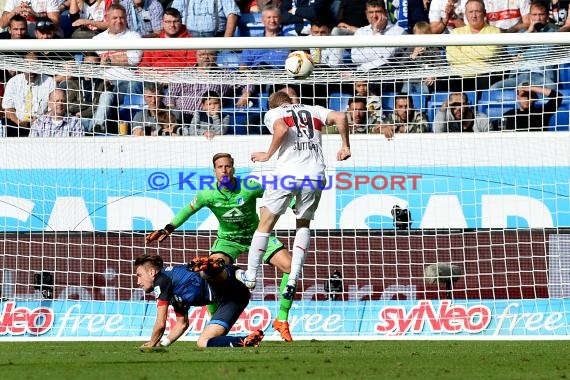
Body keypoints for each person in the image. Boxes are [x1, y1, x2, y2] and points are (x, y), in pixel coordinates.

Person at [146, 152, 297, 342]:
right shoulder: (207, 194)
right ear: (215, 171)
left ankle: (281, 319)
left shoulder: (248, 187)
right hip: (227, 241)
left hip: (256, 236)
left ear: (233, 168)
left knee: (290, 267)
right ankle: (214, 317)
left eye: (228, 166)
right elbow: (187, 210)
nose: (224, 170)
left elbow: (274, 195)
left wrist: (293, 203)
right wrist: (168, 228)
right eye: (220, 167)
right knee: (209, 270)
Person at [237, 91, 351, 301]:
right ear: (290, 101)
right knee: (303, 224)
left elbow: (281, 128)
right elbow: (342, 117)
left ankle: (251, 275)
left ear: (272, 106)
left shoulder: (274, 113)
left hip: (287, 175)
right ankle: (292, 279)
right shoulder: (314, 109)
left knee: (265, 224)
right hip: (315, 175)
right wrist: (345, 146)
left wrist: (267, 155)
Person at [134, 252, 264, 348]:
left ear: (151, 272)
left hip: (226, 280)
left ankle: (214, 267)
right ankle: (246, 340)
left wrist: (152, 343)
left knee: (204, 274)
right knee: (203, 342)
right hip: (234, 298)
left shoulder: (161, 280)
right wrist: (162, 344)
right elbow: (181, 324)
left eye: (139, 276)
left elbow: (161, 323)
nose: (138, 282)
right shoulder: (173, 292)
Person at [166, 49, 251, 124]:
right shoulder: (184, 74)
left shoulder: (225, 74)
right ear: (196, 56)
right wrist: (172, 113)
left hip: (208, 119)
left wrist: (246, 94)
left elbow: (248, 81)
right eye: (202, 54)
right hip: (183, 117)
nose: (206, 57)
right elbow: (170, 95)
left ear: (216, 56)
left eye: (210, 54)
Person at [490, 0, 558, 91]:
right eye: (534, 15)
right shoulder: (522, 33)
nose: (538, 18)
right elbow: (512, 51)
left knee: (553, 88)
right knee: (494, 89)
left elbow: (548, 50)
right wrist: (529, 32)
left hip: (540, 76)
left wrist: (521, 55)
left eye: (541, 14)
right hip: (518, 76)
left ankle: (529, 89)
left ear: (547, 16)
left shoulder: (554, 32)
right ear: (530, 16)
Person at [445, 0, 502, 92]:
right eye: (470, 12)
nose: (474, 15)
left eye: (477, 11)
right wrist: (478, 56)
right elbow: (451, 57)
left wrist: (464, 52)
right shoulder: (456, 32)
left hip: (484, 75)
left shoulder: (494, 32)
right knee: (440, 82)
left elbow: (490, 54)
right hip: (459, 75)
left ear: (484, 13)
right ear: (466, 14)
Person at [2, 52, 56, 137]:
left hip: (43, 126)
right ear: (23, 67)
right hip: (17, 126)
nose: (31, 71)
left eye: (34, 67)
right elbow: (8, 109)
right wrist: (18, 122)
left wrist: (40, 120)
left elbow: (53, 109)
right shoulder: (13, 82)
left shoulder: (50, 82)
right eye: (28, 67)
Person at [350, 0, 406, 72]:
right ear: (366, 14)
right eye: (371, 12)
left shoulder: (398, 32)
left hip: (386, 75)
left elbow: (387, 55)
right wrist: (380, 55)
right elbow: (354, 58)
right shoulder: (360, 32)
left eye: (378, 11)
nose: (374, 16)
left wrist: (377, 32)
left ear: (385, 13)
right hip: (363, 75)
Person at [239, 5, 292, 70]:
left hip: (281, 75)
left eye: (275, 17)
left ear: (280, 19)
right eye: (269, 17)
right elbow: (243, 64)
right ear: (263, 20)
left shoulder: (290, 39)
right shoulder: (253, 41)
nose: (272, 20)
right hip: (257, 75)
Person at [170, 0, 240, 37]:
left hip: (216, 39)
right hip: (188, 39)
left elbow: (232, 15)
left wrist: (225, 44)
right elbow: (172, 15)